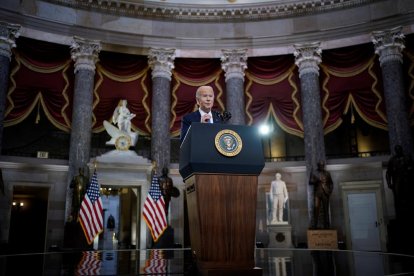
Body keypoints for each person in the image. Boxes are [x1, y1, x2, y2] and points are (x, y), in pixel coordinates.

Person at [386, 145, 412, 219]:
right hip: (397, 181)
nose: (398, 151)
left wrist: (409, 169)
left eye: (399, 149)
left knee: (408, 197)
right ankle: (400, 215)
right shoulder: (392, 160)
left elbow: (412, 167)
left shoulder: (407, 158)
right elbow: (388, 173)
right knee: (398, 200)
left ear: (401, 150)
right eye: (397, 150)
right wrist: (389, 183)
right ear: (395, 151)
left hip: (407, 180)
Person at [309, 160, 333, 229]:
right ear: (318, 166)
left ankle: (327, 226)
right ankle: (315, 225)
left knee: (326, 209)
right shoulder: (314, 173)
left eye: (323, 166)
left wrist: (330, 191)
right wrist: (317, 180)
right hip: (317, 193)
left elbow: (331, 183)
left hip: (325, 193)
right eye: (320, 165)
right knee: (316, 209)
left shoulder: (327, 173)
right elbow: (310, 182)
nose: (322, 167)